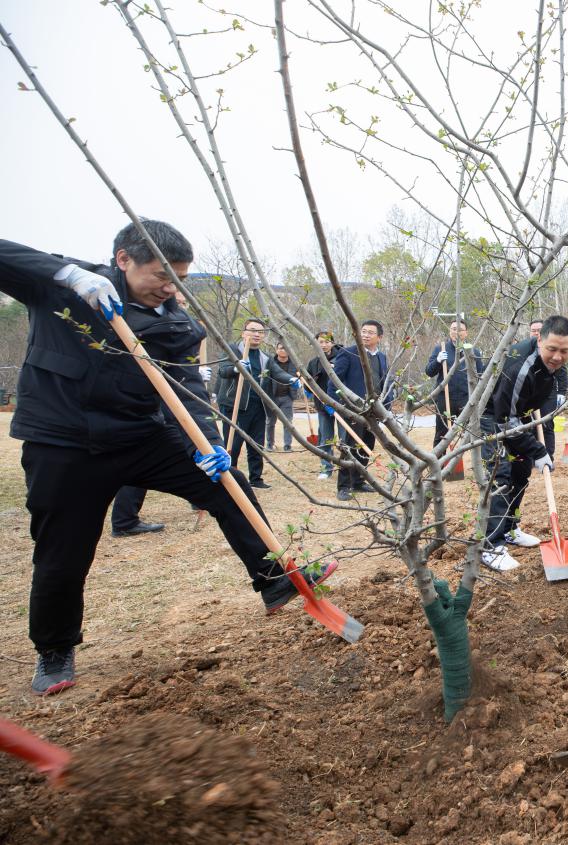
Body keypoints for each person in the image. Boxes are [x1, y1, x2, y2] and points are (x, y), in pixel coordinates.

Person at [0, 222, 335, 696]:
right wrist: (67, 274)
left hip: (139, 435)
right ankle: (54, 650)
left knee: (226, 486)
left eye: (178, 278)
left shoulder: (176, 322)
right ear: (123, 260)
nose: (169, 287)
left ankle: (274, 579)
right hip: (63, 441)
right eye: (161, 275)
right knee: (63, 549)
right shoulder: (65, 288)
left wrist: (210, 445)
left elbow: (187, 388)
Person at [479, 315, 568, 571]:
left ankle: (509, 528)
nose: (558, 357)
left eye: (564, 351)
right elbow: (504, 420)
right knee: (501, 474)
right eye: (552, 349)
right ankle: (490, 545)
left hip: (518, 415)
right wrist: (538, 449)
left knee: (521, 470)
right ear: (539, 340)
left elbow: (530, 403)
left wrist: (535, 440)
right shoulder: (520, 366)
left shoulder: (555, 363)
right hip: (491, 416)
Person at [332, 320, 390, 501]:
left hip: (374, 410)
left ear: (379, 337)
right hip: (353, 409)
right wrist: (335, 405)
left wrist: (386, 406)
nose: (365, 335)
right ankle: (344, 486)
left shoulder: (381, 357)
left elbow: (384, 382)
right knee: (350, 446)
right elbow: (335, 381)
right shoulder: (348, 353)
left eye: (370, 332)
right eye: (363, 331)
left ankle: (358, 481)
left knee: (367, 445)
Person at [216, 318, 272, 489]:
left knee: (256, 444)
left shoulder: (265, 357)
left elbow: (276, 373)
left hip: (258, 406)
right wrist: (236, 367)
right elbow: (222, 371)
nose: (257, 334)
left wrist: (292, 379)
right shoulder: (232, 350)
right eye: (253, 330)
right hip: (235, 406)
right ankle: (230, 477)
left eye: (260, 332)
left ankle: (256, 478)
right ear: (243, 333)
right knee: (233, 444)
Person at [425, 319, 485, 450]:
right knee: (441, 435)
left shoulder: (473, 351)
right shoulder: (440, 348)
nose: (456, 332)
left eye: (460, 330)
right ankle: (438, 461)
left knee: (474, 434)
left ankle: (476, 461)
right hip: (445, 398)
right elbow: (429, 372)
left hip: (466, 399)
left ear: (466, 333)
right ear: (449, 331)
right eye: (453, 329)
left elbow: (480, 376)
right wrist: (437, 360)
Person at [528, 318, 568, 458]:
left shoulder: (552, 348)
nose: (536, 333)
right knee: (529, 426)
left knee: (547, 424)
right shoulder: (525, 349)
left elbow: (561, 371)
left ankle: (548, 456)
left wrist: (561, 392)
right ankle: (534, 457)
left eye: (539, 330)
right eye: (533, 330)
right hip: (527, 395)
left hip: (548, 394)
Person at [305, 330, 342, 479]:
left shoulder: (341, 358)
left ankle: (347, 468)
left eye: (327, 342)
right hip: (322, 406)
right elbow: (308, 382)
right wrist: (306, 388)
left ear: (332, 343)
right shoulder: (313, 363)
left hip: (342, 406)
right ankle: (326, 469)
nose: (324, 345)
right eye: (320, 342)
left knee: (345, 439)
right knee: (325, 438)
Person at [264, 341, 301, 451]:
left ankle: (287, 446)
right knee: (270, 422)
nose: (283, 350)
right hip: (272, 397)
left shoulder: (294, 364)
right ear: (276, 350)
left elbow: (300, 377)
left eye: (285, 348)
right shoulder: (270, 363)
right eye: (280, 348)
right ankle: (270, 445)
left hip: (287, 397)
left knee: (288, 422)